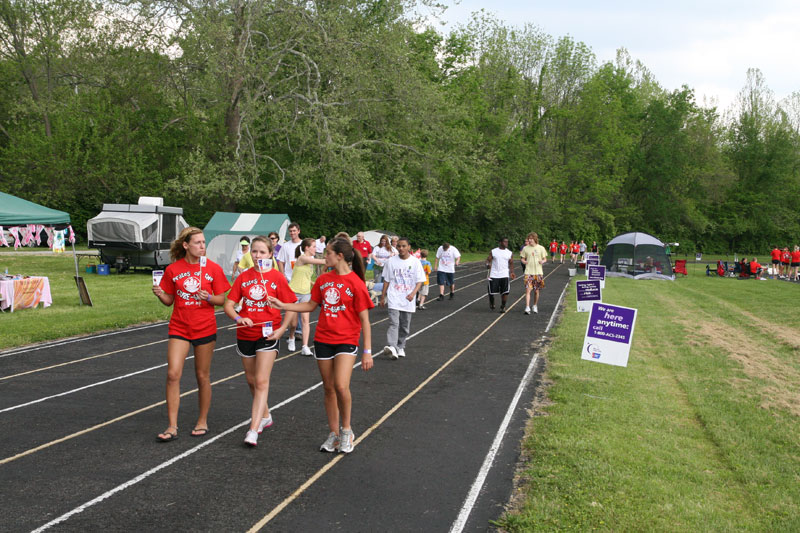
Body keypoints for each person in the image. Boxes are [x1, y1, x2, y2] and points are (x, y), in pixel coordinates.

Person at [268, 238, 374, 454]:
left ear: (340, 256)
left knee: (341, 386)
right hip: (324, 339)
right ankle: (333, 434)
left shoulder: (356, 283)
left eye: (327, 253)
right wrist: (283, 304)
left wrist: (367, 352)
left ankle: (346, 431)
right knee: (328, 388)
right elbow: (310, 305)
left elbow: (365, 320)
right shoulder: (324, 279)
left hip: (346, 340)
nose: (324, 257)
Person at [152, 227, 231, 442]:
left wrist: (208, 298)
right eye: (198, 243)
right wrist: (160, 294)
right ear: (186, 245)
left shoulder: (212, 269)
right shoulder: (173, 270)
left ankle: (202, 420)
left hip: (204, 327)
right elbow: (170, 301)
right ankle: (172, 426)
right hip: (179, 327)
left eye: (204, 243)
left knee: (202, 376)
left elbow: (221, 299)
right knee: (172, 374)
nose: (202, 246)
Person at [223, 236, 297, 446]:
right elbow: (229, 305)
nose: (257, 256)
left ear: (270, 254)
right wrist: (239, 318)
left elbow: (291, 305)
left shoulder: (277, 277)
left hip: (268, 334)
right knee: (251, 381)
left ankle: (253, 429)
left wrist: (282, 329)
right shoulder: (244, 277)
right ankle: (265, 415)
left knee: (262, 381)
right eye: (254, 252)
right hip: (246, 334)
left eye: (262, 252)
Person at [379, 237, 425, 359]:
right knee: (394, 323)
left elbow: (420, 281)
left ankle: (400, 346)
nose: (401, 248)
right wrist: (382, 297)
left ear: (409, 247)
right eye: (399, 246)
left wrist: (413, 294)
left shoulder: (415, 262)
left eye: (404, 246)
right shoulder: (391, 261)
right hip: (394, 296)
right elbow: (387, 280)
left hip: (407, 298)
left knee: (404, 326)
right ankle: (392, 347)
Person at [289, 238, 327, 355]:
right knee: (294, 323)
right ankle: (291, 338)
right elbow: (322, 262)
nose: (316, 248)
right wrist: (333, 259)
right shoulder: (302, 258)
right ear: (307, 248)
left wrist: (313, 284)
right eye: (314, 246)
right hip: (293, 292)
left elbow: (306, 277)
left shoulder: (310, 261)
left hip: (305, 293)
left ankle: (305, 347)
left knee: (306, 320)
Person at [276, 222, 303, 339]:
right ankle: (294, 329)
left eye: (294, 231)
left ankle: (299, 330)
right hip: (288, 279)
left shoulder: (304, 245)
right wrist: (282, 276)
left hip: (301, 279)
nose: (292, 233)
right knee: (291, 305)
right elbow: (280, 261)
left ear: (299, 231)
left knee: (301, 306)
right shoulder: (285, 246)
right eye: (290, 231)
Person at [486, 237, 516, 313]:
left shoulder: (509, 253)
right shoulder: (494, 251)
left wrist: (512, 272)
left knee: (505, 292)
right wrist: (488, 264)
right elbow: (488, 260)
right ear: (500, 242)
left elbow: (511, 263)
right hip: (494, 274)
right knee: (491, 292)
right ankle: (492, 301)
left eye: (507, 242)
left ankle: (503, 306)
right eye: (505, 242)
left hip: (504, 274)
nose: (506, 243)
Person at [520, 232, 547, 315]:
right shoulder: (525, 248)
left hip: (538, 272)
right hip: (528, 272)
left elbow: (545, 258)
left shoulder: (541, 248)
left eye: (531, 239)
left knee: (536, 291)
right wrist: (524, 262)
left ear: (535, 239)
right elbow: (522, 258)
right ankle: (527, 307)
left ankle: (535, 305)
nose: (529, 240)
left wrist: (542, 261)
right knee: (528, 290)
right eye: (529, 239)